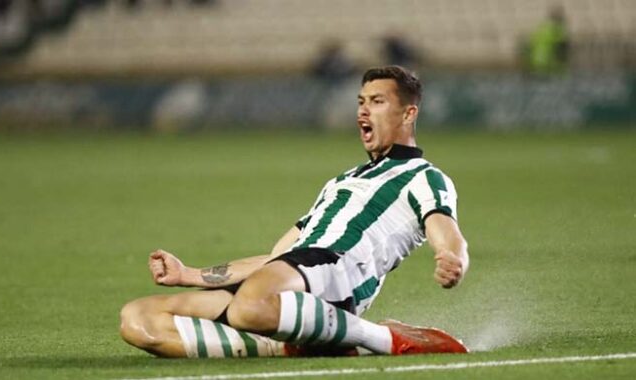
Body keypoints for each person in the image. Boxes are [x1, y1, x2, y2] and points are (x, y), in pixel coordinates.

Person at [120, 65, 470, 358]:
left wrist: (450, 257)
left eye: (376, 102)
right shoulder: (342, 181)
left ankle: (381, 338)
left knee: (250, 305)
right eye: (361, 102)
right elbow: (277, 258)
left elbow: (445, 229)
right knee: (138, 320)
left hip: (337, 271)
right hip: (294, 277)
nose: (362, 110)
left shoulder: (424, 176)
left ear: (409, 113)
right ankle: (299, 345)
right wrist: (190, 274)